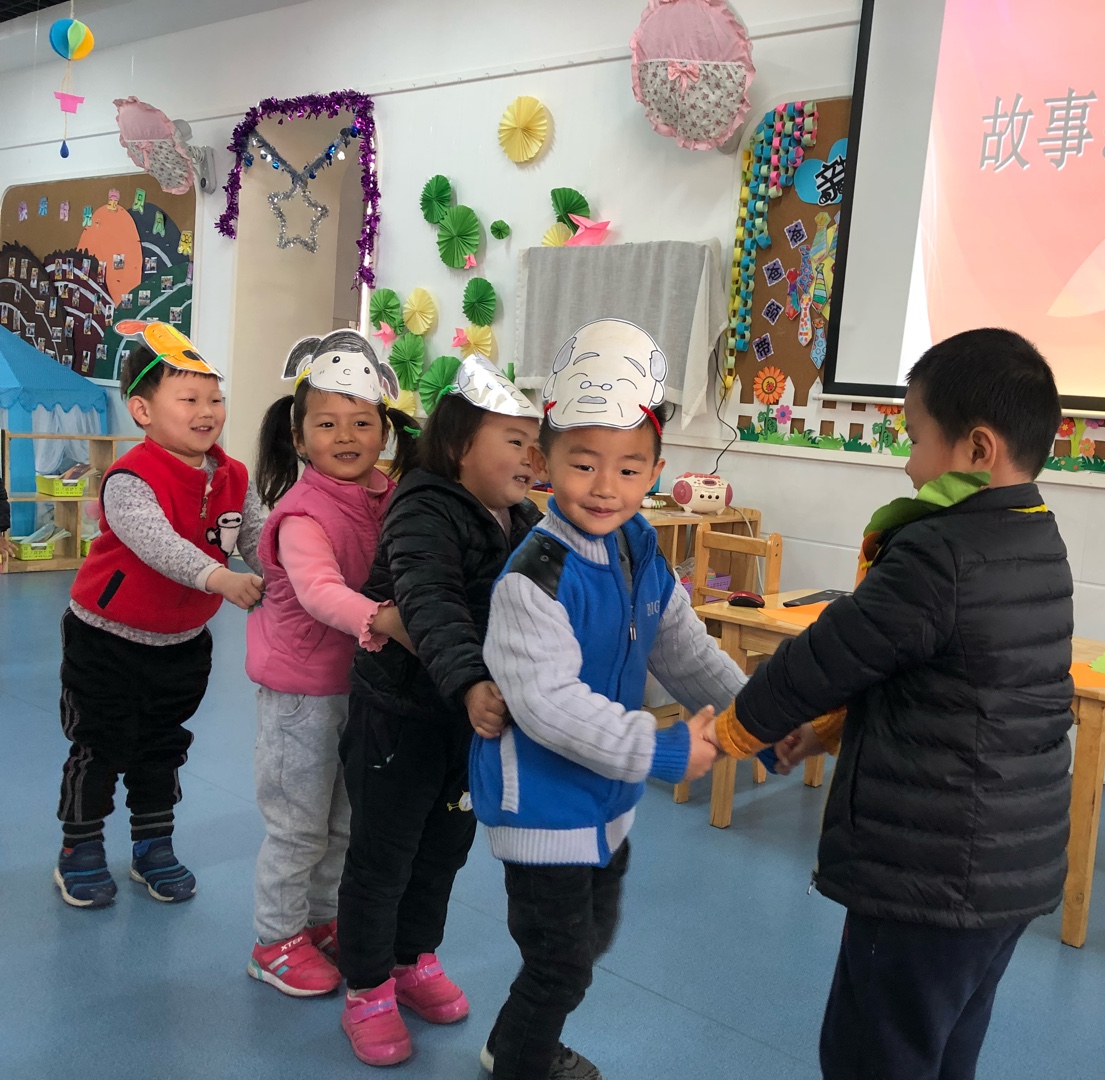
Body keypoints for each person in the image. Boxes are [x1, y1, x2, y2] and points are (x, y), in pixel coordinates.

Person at [713, 328, 1075, 1080]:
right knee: (944, 1049)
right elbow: (947, 682)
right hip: (1007, 869)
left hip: (928, 875)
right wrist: (828, 731)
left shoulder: (938, 551)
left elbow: (829, 653)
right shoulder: (1036, 538)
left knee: (871, 1056)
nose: (908, 464)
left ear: (977, 449)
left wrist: (732, 729)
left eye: (915, 439)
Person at [474, 318, 742, 1080]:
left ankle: (515, 1038)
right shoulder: (535, 578)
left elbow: (678, 641)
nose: (605, 486)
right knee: (561, 963)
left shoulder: (637, 544)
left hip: (606, 802)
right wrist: (664, 749)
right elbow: (550, 706)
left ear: (656, 470)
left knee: (582, 949)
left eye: (629, 468)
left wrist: (757, 714)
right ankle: (520, 1061)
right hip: (543, 808)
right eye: (584, 463)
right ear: (542, 463)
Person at [336, 357, 546, 1067]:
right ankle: (367, 987)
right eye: (514, 441)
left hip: (467, 722)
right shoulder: (422, 507)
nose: (532, 456)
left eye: (535, 442)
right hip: (401, 715)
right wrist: (470, 682)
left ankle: (411, 957)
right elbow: (431, 605)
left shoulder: (523, 519)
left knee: (443, 850)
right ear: (459, 446)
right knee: (383, 857)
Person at [55, 321, 265, 909]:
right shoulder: (130, 477)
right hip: (105, 639)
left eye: (215, 399)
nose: (207, 411)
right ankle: (80, 846)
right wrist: (221, 579)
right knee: (99, 745)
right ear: (143, 411)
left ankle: (152, 845)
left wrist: (300, 574)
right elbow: (158, 544)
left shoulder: (234, 476)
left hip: (182, 642)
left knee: (163, 745)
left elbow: (261, 540)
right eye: (189, 399)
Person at [244, 331, 419, 997]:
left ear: (385, 431)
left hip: (362, 687)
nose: (346, 436)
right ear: (299, 437)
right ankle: (274, 940)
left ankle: (319, 922)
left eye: (362, 422)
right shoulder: (301, 513)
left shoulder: (389, 495)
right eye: (327, 424)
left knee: (345, 820)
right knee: (297, 826)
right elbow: (319, 591)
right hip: (302, 695)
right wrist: (385, 620)